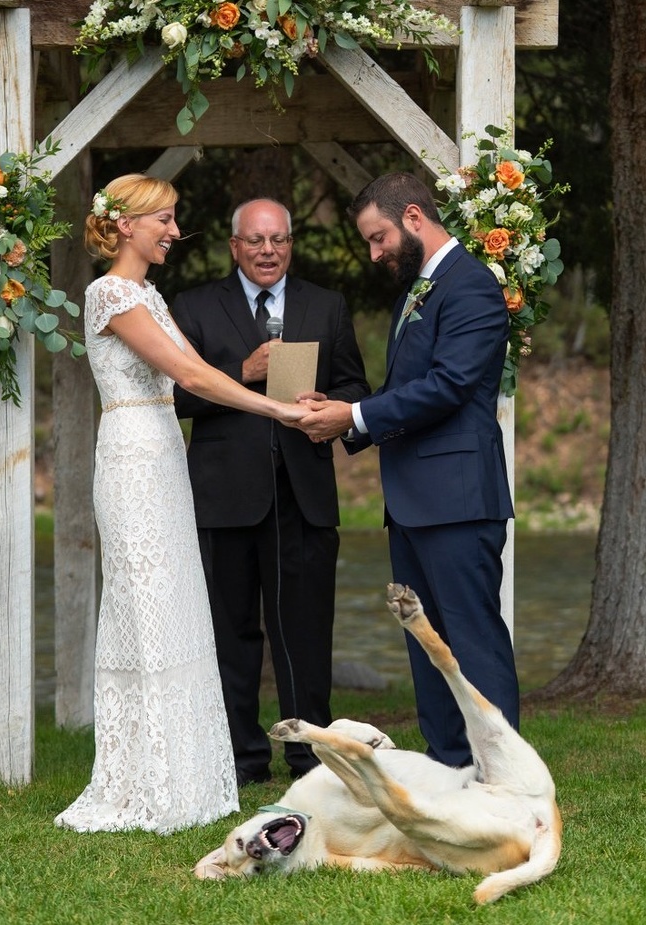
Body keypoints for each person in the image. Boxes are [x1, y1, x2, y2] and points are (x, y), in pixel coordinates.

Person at [54, 176, 307, 834]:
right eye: (164, 219)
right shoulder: (109, 293)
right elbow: (193, 377)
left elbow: (203, 370)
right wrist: (279, 406)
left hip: (168, 455)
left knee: (178, 603)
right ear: (129, 225)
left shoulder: (150, 294)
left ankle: (185, 771)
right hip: (133, 456)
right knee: (146, 606)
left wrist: (270, 382)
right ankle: (145, 777)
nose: (173, 230)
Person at [298, 173, 519, 768]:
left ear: (415, 217)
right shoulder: (417, 291)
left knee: (472, 641)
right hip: (415, 501)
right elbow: (405, 390)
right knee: (428, 645)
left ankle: (502, 778)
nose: (374, 254)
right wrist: (344, 416)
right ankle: (450, 767)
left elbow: (448, 387)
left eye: (379, 238)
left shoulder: (470, 286)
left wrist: (356, 413)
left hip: (458, 499)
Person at [172, 198, 370, 785]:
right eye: (256, 241)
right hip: (224, 498)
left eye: (279, 240)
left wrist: (328, 404)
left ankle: (312, 758)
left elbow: (355, 384)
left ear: (290, 244)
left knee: (304, 632)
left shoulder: (327, 306)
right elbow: (176, 399)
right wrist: (242, 374)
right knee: (231, 635)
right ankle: (240, 758)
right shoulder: (195, 307)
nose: (268, 251)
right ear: (234, 246)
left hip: (303, 496)